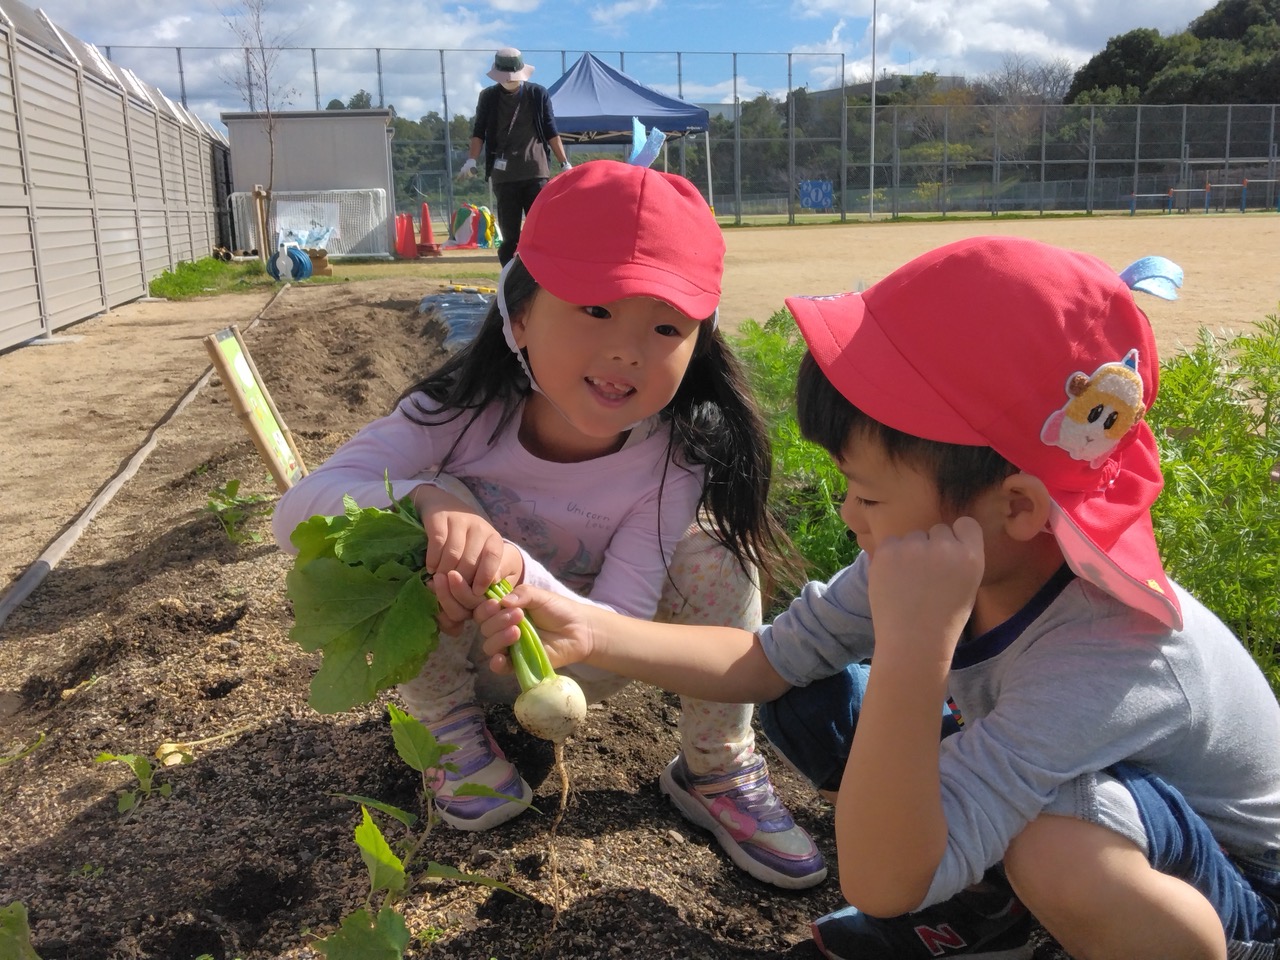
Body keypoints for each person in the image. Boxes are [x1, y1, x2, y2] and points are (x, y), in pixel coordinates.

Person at [468, 235, 1280, 960]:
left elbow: (883, 881)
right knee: (807, 697)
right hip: (1080, 797)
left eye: (869, 495)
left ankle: (1056, 920)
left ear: (1020, 507)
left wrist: (916, 647)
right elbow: (764, 660)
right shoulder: (947, 544)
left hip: (1237, 896)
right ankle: (990, 908)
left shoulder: (1113, 652)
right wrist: (595, 631)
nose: (851, 515)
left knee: (1054, 843)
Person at [272, 160, 827, 891]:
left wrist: (522, 582)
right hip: (454, 648)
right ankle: (447, 731)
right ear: (520, 314)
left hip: (574, 658)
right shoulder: (456, 412)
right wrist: (426, 506)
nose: (627, 351)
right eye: (595, 309)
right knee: (407, 518)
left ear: (698, 345)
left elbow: (616, 625)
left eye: (665, 326)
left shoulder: (675, 456)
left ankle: (716, 767)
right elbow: (295, 513)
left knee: (717, 557)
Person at [458, 47, 571, 267]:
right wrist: (471, 159)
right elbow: (479, 131)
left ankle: (542, 278)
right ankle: (509, 280)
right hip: (504, 177)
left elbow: (551, 130)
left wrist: (564, 162)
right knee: (510, 238)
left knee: (541, 232)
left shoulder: (537, 94)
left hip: (535, 173)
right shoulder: (488, 97)